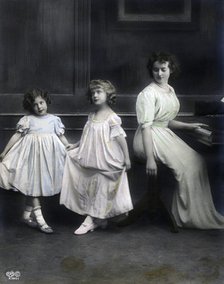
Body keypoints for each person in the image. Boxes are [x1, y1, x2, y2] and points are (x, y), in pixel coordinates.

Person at [133, 51, 224, 229]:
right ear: (151, 71)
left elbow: (165, 121)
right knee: (187, 167)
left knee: (198, 162)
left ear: (170, 69)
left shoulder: (169, 90)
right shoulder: (147, 94)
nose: (160, 74)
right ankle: (185, 217)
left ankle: (190, 213)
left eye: (163, 69)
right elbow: (146, 126)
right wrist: (150, 159)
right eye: (156, 70)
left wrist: (190, 127)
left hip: (163, 134)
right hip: (148, 138)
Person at [60, 79, 133, 235]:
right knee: (91, 184)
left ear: (108, 94)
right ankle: (99, 219)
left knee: (102, 185)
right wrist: (75, 145)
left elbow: (120, 138)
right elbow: (87, 135)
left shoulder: (111, 117)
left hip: (106, 157)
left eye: (99, 92)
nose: (95, 95)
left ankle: (91, 220)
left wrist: (127, 158)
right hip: (91, 155)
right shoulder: (92, 114)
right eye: (93, 93)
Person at [0, 89, 71, 233]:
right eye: (35, 105)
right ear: (30, 107)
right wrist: (4, 152)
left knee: (36, 187)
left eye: (41, 102)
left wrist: (69, 146)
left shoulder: (54, 120)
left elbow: (61, 137)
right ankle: (40, 220)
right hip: (30, 157)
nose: (39, 107)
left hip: (48, 158)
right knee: (32, 186)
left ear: (46, 102)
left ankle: (26, 216)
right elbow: (17, 136)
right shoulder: (27, 120)